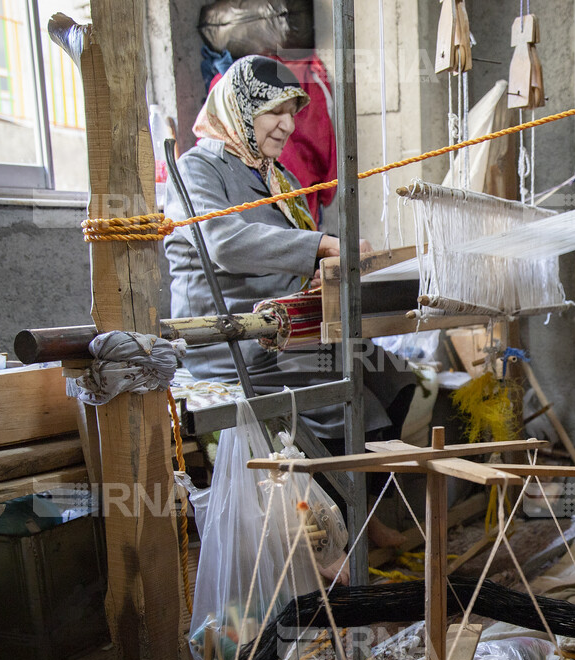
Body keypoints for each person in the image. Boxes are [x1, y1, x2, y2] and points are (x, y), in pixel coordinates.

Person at [164, 55, 415, 550]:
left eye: (292, 111)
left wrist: (329, 275)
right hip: (231, 340)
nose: (288, 124)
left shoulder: (278, 178)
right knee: (351, 397)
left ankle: (356, 517)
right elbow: (225, 242)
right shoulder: (198, 170)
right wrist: (321, 246)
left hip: (284, 330)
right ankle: (337, 536)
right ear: (238, 110)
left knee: (393, 376)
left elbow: (296, 257)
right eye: (273, 110)